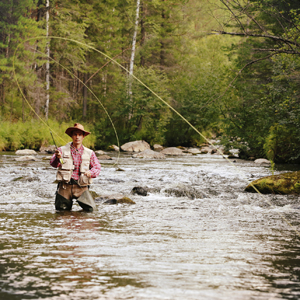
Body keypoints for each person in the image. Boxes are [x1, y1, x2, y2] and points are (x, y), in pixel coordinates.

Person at [50, 123, 101, 212]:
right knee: (61, 213)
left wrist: (91, 173)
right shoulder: (61, 150)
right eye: (75, 134)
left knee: (91, 211)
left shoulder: (90, 153)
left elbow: (97, 167)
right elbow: (53, 164)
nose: (77, 137)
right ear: (71, 136)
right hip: (65, 187)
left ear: (83, 137)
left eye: (80, 135)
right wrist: (57, 158)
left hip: (81, 187)